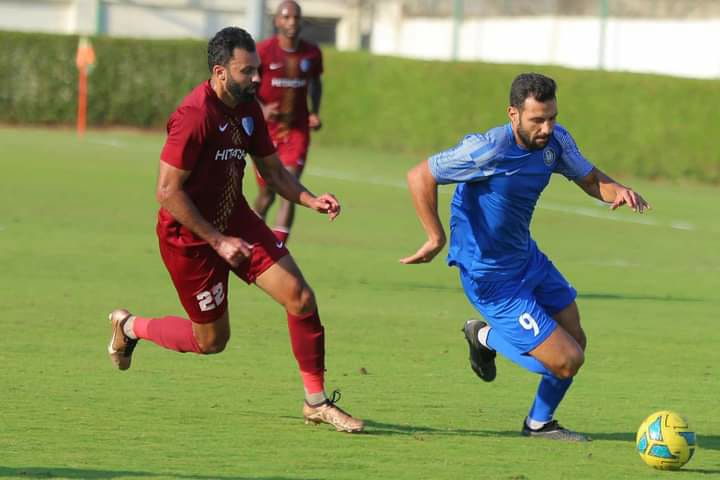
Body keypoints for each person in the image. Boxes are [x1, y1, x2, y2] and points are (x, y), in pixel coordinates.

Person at [107, 26, 363, 433]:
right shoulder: (194, 116)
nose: (257, 79)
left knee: (300, 298)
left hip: (237, 222)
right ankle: (130, 326)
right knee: (211, 341)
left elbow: (274, 172)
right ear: (220, 72)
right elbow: (167, 191)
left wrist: (310, 199)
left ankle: (315, 402)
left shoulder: (248, 109)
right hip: (189, 240)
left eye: (258, 70)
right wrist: (217, 240)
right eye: (247, 72)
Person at [401, 73, 650, 441]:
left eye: (551, 117)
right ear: (513, 114)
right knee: (566, 361)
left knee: (575, 339)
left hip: (526, 258)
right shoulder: (487, 149)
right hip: (490, 278)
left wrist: (619, 191)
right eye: (537, 120)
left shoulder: (557, 141)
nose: (547, 128)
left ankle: (539, 424)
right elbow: (420, 175)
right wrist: (435, 236)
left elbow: (591, 178)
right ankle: (483, 336)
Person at [252, 0, 324, 244]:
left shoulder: (311, 53)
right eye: (286, 17)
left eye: (296, 17)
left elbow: (315, 84)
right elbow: (248, 86)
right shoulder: (262, 52)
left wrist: (315, 111)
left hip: (297, 130)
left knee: (290, 186)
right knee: (267, 193)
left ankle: (277, 247)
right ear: (277, 21)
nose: (292, 22)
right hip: (267, 131)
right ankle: (249, 238)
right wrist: (261, 108)